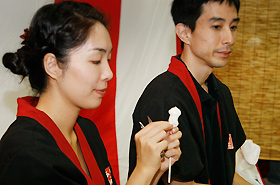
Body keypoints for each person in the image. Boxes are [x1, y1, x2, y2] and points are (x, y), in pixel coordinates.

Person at [0, 1, 182, 185]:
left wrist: (155, 169)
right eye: (96, 61)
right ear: (52, 65)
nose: (109, 73)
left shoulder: (86, 130)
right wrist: (143, 169)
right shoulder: (26, 152)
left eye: (108, 59)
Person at [129, 0, 251, 184]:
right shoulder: (165, 98)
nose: (229, 39)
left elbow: (227, 172)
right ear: (184, 33)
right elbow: (181, 183)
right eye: (217, 26)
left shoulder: (221, 92)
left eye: (233, 27)